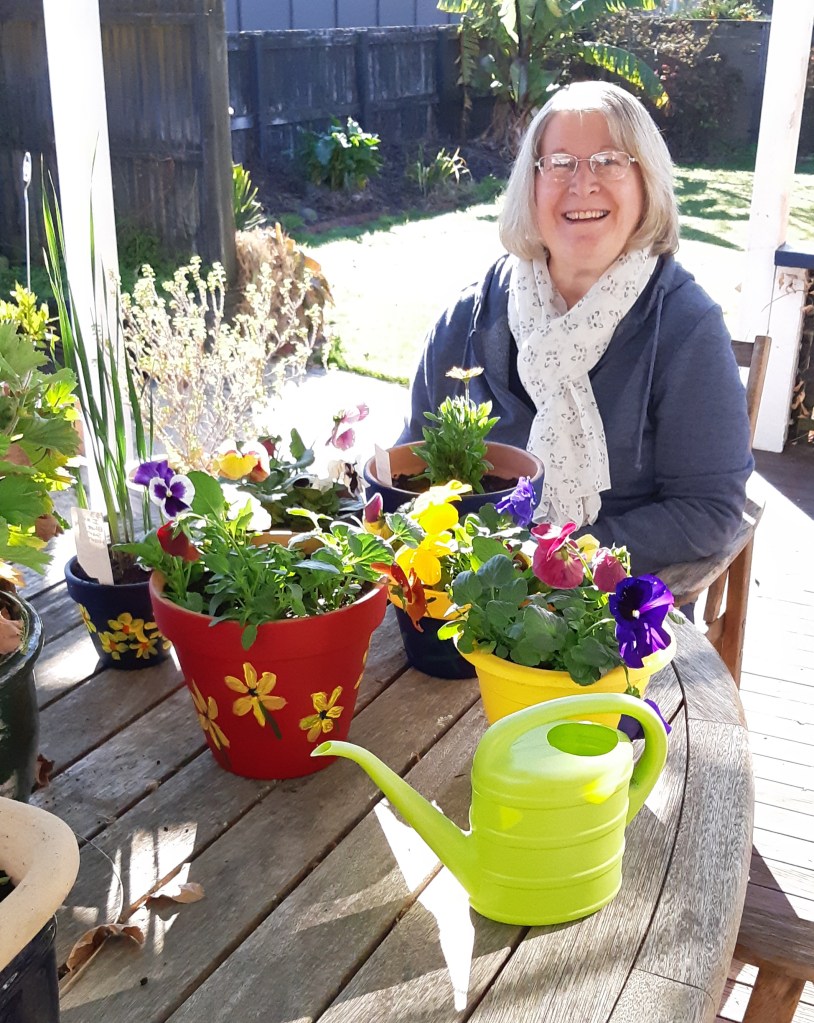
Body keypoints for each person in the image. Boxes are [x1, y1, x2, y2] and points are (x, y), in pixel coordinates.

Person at [396, 80, 753, 576]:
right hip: (463, 592)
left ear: (646, 182)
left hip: (610, 606)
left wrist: (554, 559)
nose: (582, 184)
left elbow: (708, 510)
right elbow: (409, 470)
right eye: (559, 163)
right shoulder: (466, 319)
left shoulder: (686, 328)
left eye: (609, 160)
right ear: (531, 185)